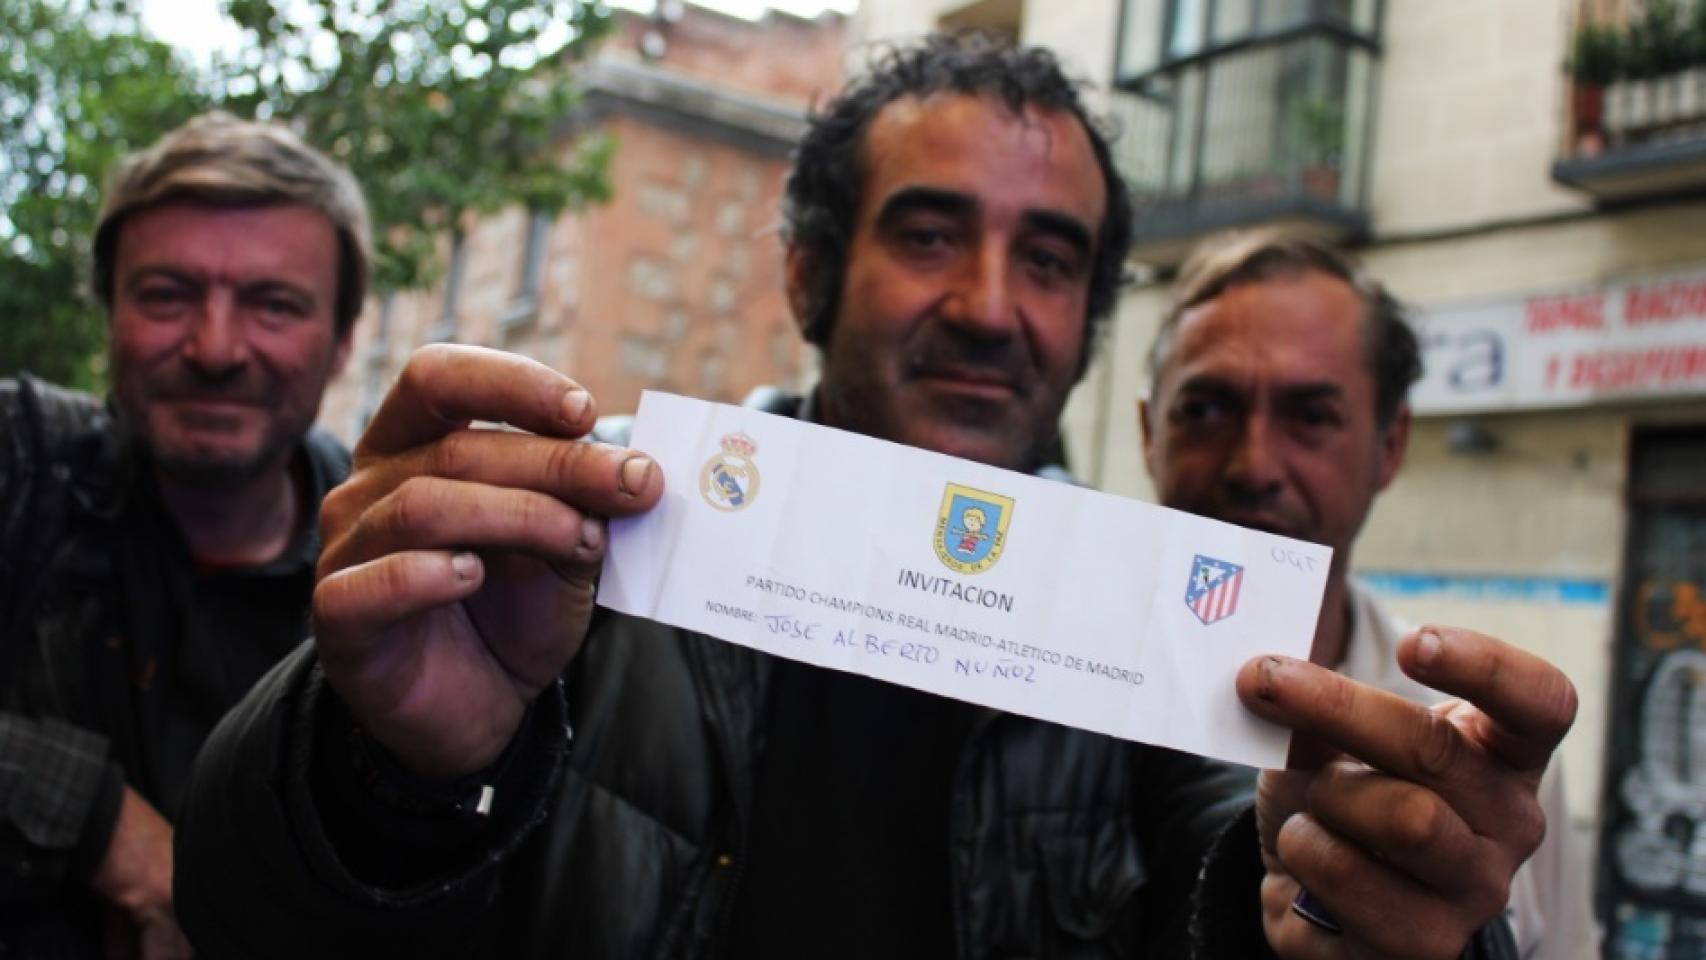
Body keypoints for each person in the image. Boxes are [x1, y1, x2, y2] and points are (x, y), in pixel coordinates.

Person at [175, 35, 1574, 959]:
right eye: (925, 233)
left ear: (1087, 319)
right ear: (805, 272)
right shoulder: (585, 565)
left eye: (1047, 260)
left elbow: (1235, 870)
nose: (985, 308)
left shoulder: (1160, 638)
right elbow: (237, 906)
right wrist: (386, 765)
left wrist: (1373, 905)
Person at [1139, 230, 1597, 959]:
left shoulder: (1480, 760)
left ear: (1390, 446)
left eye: (1312, 417)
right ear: (1145, 433)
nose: (1255, 464)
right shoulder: (1036, 709)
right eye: (1206, 409)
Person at [0, 112, 366, 957]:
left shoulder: (400, 578)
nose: (215, 348)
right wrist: (99, 820)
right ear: (110, 313)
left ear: (344, 341)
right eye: (167, 295)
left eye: (274, 305)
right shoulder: (22, 465)